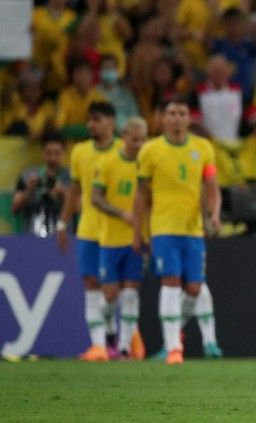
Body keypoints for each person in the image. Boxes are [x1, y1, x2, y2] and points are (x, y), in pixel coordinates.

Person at [133, 99, 223, 365]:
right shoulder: (150, 150)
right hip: (163, 228)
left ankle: (171, 336)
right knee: (170, 282)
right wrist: (138, 230)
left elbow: (212, 186)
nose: (176, 118)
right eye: (171, 113)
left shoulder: (203, 148)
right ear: (162, 118)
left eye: (182, 113)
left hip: (193, 230)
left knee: (194, 288)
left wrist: (214, 213)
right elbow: (141, 195)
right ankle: (174, 348)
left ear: (189, 119)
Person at [56, 101, 122, 362]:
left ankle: (113, 334)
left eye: (96, 119)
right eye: (89, 120)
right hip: (88, 229)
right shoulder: (80, 152)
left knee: (113, 292)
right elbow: (74, 191)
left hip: (117, 231)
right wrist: (63, 223)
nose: (90, 125)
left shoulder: (123, 150)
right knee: (91, 285)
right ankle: (98, 347)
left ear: (110, 122)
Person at [91, 117, 148, 360]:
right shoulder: (107, 162)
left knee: (131, 294)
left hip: (135, 239)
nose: (139, 144)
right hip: (110, 239)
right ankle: (111, 333)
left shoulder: (146, 166)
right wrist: (121, 212)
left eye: (143, 140)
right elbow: (96, 198)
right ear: (124, 137)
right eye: (135, 139)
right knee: (110, 296)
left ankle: (124, 348)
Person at [12, 132, 70, 238]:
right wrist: (28, 191)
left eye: (57, 153)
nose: (52, 158)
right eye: (48, 153)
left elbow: (79, 208)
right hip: (30, 239)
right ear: (42, 152)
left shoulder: (72, 177)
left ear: (64, 152)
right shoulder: (27, 175)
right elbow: (15, 208)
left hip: (63, 240)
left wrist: (62, 192)